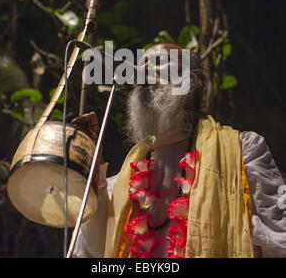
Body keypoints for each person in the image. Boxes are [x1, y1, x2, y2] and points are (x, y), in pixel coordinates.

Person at [71, 43, 286, 258]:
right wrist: (94, 170)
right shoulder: (121, 183)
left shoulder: (243, 151)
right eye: (141, 65)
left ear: (194, 82)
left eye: (158, 62)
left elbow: (279, 240)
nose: (143, 70)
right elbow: (94, 252)